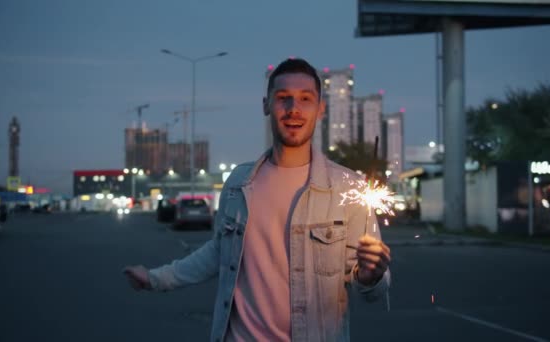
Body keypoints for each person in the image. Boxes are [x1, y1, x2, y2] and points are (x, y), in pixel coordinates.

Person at [123, 57, 391, 342]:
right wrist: (156, 278)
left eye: (305, 99)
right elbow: (217, 252)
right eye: (283, 98)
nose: (293, 109)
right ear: (266, 105)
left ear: (321, 108)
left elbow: (373, 287)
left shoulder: (348, 188)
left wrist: (371, 275)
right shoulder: (239, 184)